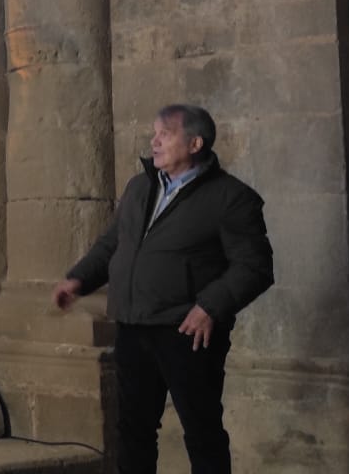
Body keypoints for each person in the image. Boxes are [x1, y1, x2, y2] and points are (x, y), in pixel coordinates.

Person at [53, 104, 273, 474]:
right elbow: (112, 244)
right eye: (154, 133)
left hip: (187, 331)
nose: (153, 142)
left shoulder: (230, 198)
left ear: (195, 143)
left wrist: (209, 307)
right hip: (133, 325)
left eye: (165, 134)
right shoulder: (140, 187)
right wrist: (79, 279)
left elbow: (255, 266)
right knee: (134, 430)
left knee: (202, 433)